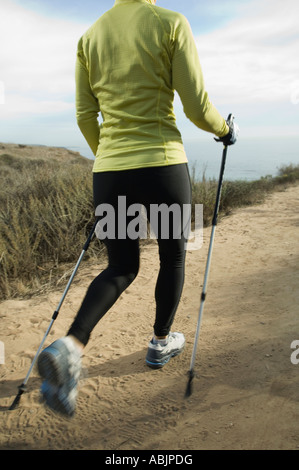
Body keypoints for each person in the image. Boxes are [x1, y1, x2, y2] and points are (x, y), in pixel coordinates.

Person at [37, 0, 239, 416]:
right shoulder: (170, 23)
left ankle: (70, 345)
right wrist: (225, 130)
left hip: (110, 171)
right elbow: (197, 106)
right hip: (162, 164)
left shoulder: (90, 36)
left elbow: (84, 115)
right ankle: (160, 343)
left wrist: (109, 157)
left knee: (121, 267)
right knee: (173, 255)